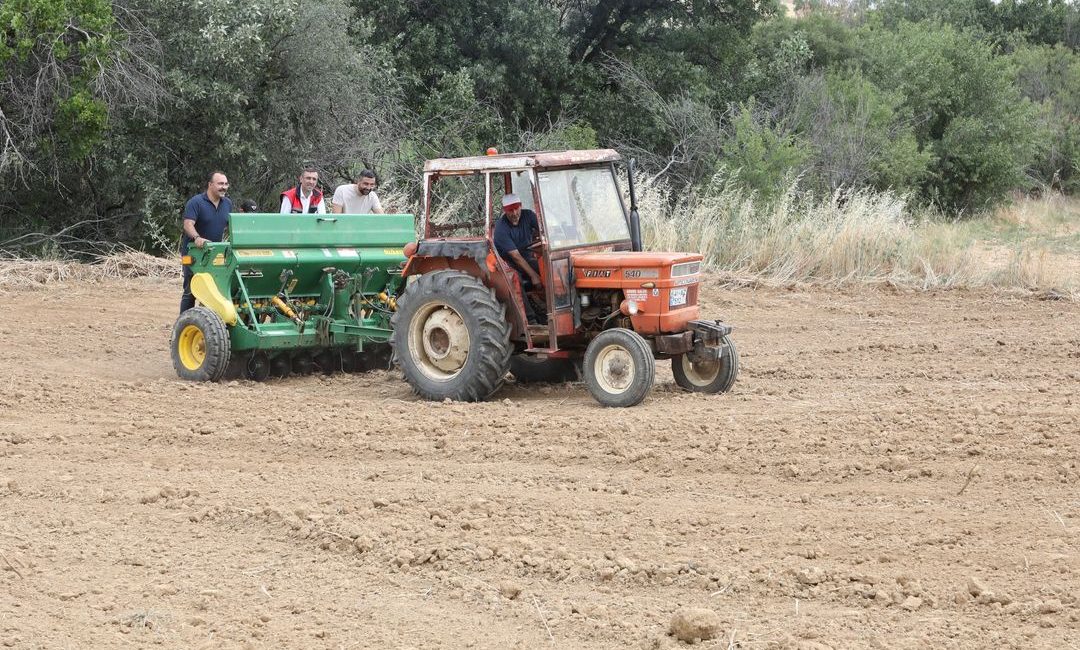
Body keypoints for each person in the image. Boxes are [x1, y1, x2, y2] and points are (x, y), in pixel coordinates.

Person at [180, 171, 232, 313]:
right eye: (220, 183)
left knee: (213, 293)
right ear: (210, 184)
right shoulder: (196, 202)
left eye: (226, 184)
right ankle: (183, 325)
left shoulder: (227, 204)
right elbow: (188, 224)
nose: (224, 187)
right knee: (190, 291)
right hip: (194, 253)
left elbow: (229, 226)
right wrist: (197, 238)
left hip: (215, 254)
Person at [493, 193, 546, 325]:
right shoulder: (501, 228)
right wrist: (534, 276)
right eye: (510, 210)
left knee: (549, 269)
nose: (515, 213)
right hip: (508, 262)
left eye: (517, 208)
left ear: (521, 206)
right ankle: (531, 320)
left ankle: (549, 308)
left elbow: (544, 232)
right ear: (505, 211)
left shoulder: (529, 215)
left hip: (527, 256)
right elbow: (516, 257)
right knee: (516, 280)